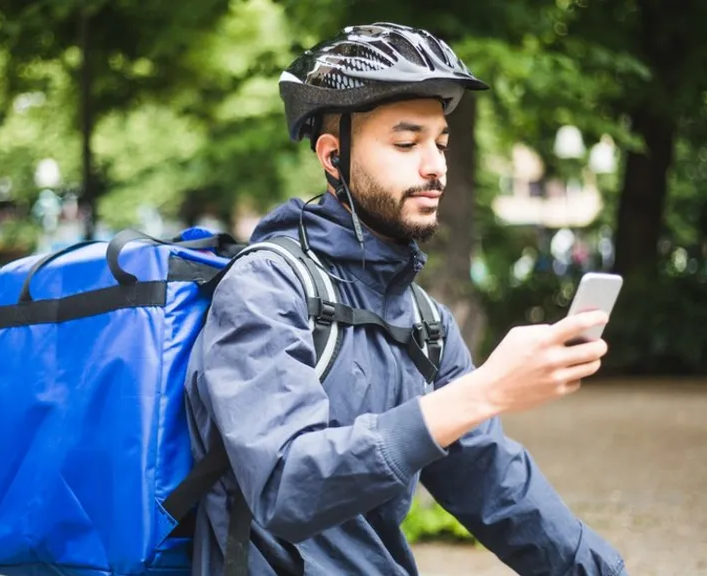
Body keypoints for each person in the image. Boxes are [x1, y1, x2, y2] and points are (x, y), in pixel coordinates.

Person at [184, 22, 628, 575]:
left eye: (440, 142)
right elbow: (287, 485)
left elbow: (496, 486)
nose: (436, 165)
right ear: (332, 156)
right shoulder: (266, 288)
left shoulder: (425, 323)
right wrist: (484, 390)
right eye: (406, 142)